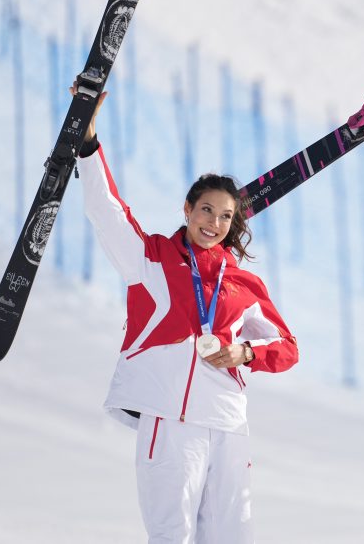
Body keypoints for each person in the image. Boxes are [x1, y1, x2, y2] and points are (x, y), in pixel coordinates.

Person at [75, 86, 299, 543]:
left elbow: (288, 348)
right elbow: (107, 210)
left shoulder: (242, 283)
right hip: (169, 421)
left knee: (231, 536)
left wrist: (245, 352)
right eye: (206, 210)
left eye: (224, 216)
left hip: (228, 422)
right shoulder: (151, 258)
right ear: (188, 209)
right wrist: (88, 139)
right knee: (171, 533)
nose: (213, 223)